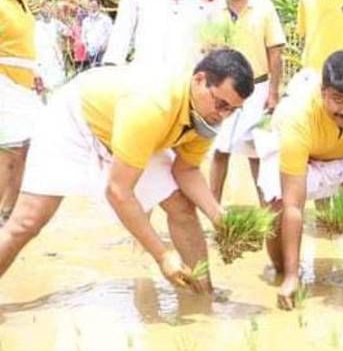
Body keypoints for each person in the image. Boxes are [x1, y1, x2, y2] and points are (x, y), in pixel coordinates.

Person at [0, 49, 254, 293]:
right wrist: (162, 254)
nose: (223, 116)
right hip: (75, 120)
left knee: (182, 207)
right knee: (28, 221)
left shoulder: (206, 116)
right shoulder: (154, 105)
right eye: (221, 104)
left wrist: (218, 216)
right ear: (199, 80)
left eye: (232, 109)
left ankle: (203, 294)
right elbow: (118, 191)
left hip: (127, 131)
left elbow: (186, 170)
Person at [256, 49, 343, 310]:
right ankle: (282, 270)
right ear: (323, 92)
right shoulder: (297, 116)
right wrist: (291, 277)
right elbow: (294, 206)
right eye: (338, 99)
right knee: (277, 205)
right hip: (298, 154)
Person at [208, 0, 286, 205]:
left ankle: (267, 214)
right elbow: (207, 51)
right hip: (222, 91)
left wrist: (274, 93)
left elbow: (275, 52)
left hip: (259, 90)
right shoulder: (212, 9)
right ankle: (213, 209)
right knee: (220, 150)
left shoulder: (263, 7)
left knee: (259, 152)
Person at [0, 0, 42, 226]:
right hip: (5, 87)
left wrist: (34, 71)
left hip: (23, 88)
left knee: (27, 147)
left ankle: (8, 211)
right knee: (10, 151)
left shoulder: (20, 0)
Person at [35, 2, 69, 89]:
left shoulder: (56, 23)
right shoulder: (36, 24)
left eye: (49, 8)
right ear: (41, 10)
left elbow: (67, 31)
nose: (47, 10)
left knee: (58, 82)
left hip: (55, 56)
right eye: (45, 8)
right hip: (41, 57)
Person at [81, 0, 113, 67]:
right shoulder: (85, 21)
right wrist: (86, 45)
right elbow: (83, 35)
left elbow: (110, 34)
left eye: (94, 6)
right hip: (91, 51)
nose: (93, 9)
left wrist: (104, 45)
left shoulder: (106, 20)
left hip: (102, 51)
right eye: (90, 6)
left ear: (99, 7)